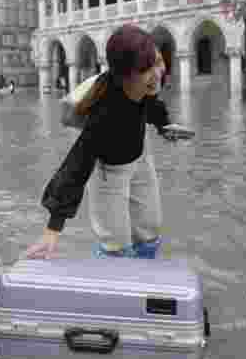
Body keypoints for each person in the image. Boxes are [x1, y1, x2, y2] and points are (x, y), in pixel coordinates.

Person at [26, 25, 176, 260]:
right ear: (125, 76)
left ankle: (143, 280)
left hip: (140, 157)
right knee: (116, 247)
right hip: (109, 170)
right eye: (147, 69)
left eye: (157, 61)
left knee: (149, 232)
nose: (157, 73)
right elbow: (76, 166)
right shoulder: (105, 116)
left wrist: (164, 126)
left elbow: (152, 106)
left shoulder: (145, 83)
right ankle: (116, 283)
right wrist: (52, 230)